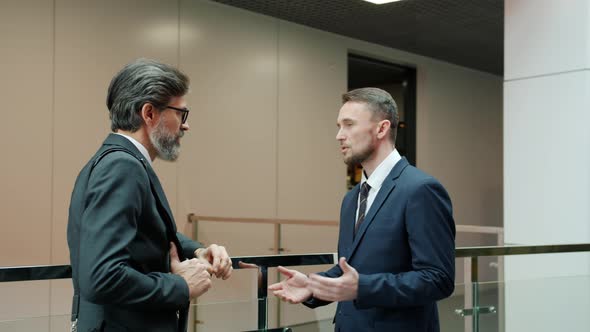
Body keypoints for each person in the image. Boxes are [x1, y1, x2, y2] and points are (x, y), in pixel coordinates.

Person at [269, 87, 455, 332]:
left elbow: (437, 279)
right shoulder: (352, 198)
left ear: (381, 128)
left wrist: (362, 288)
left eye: (348, 125)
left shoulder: (421, 189)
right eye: (339, 126)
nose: (339, 135)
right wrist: (315, 286)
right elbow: (351, 269)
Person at [67, 59, 233, 332]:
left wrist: (198, 251)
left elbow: (143, 229)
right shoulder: (123, 167)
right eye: (181, 113)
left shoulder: (116, 162)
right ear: (149, 113)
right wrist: (180, 286)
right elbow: (101, 277)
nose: (185, 126)